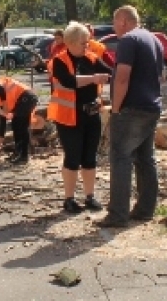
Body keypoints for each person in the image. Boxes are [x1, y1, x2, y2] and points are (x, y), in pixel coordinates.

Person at [100, 5, 164, 228]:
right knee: (146, 158)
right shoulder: (153, 40)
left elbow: (121, 78)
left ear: (124, 22)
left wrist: (115, 109)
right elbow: (160, 75)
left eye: (115, 22)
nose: (114, 27)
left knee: (120, 158)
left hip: (131, 109)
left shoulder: (128, 40)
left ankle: (118, 214)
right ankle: (145, 210)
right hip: (151, 106)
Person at [49, 22, 111, 214]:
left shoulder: (92, 58)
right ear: (71, 43)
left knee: (90, 157)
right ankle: (69, 199)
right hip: (68, 118)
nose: (88, 45)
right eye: (84, 42)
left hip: (91, 115)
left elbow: (111, 72)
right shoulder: (58, 61)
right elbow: (68, 82)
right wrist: (93, 78)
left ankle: (90, 196)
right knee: (73, 157)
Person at [0, 77, 39, 164]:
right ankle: (18, 152)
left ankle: (24, 156)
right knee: (15, 124)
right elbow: (2, 119)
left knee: (21, 126)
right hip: (24, 98)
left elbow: (0, 89)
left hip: (25, 97)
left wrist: (4, 104)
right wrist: (1, 138)